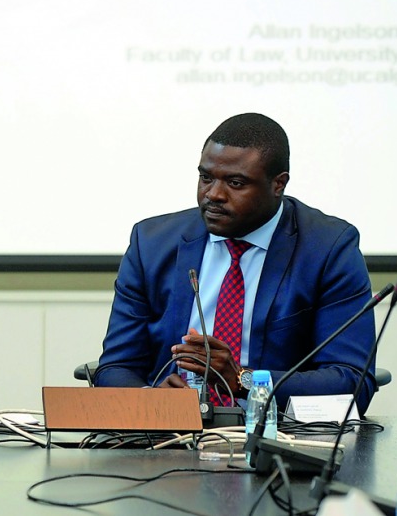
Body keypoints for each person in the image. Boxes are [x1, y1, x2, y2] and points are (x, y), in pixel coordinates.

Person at [95, 113, 376, 413]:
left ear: (278, 184)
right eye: (206, 177)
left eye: (236, 183)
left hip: (278, 440)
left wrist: (244, 380)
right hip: (168, 440)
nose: (213, 194)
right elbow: (115, 367)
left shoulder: (328, 249)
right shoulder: (151, 244)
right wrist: (152, 400)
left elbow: (352, 380)